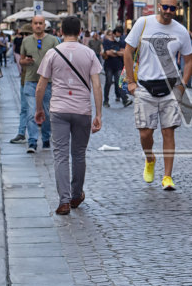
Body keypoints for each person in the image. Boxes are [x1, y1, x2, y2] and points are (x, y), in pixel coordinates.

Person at [125, 0, 192, 189]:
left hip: (170, 87)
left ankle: (167, 177)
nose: (168, 11)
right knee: (145, 134)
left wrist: (182, 85)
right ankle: (150, 159)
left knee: (168, 132)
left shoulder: (181, 31)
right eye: (165, 7)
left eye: (172, 8)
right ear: (159, 6)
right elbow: (128, 52)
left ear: (177, 10)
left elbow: (189, 59)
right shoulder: (143, 23)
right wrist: (131, 82)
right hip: (145, 87)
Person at [37, 15, 104, 215]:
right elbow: (97, 85)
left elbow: (41, 85)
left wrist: (38, 108)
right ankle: (76, 195)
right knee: (78, 154)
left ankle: (64, 201)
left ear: (60, 32)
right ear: (80, 31)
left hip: (59, 109)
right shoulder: (90, 53)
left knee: (60, 156)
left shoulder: (52, 53)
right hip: (82, 110)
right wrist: (98, 113)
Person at [13, 16, 57, 153]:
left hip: (47, 82)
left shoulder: (53, 40)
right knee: (31, 112)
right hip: (30, 81)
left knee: (47, 113)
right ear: (32, 25)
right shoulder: (26, 41)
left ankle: (45, 139)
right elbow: (20, 60)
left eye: (40, 23)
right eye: (35, 23)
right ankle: (32, 141)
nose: (38, 26)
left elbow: (58, 59)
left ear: (45, 25)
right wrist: (25, 61)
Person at [101, 25, 130, 106]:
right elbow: (107, 53)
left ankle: (124, 100)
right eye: (117, 35)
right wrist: (117, 53)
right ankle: (106, 101)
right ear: (113, 34)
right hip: (109, 66)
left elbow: (123, 53)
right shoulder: (106, 42)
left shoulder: (121, 42)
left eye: (120, 36)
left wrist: (114, 52)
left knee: (119, 83)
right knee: (108, 82)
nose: (118, 37)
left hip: (118, 65)